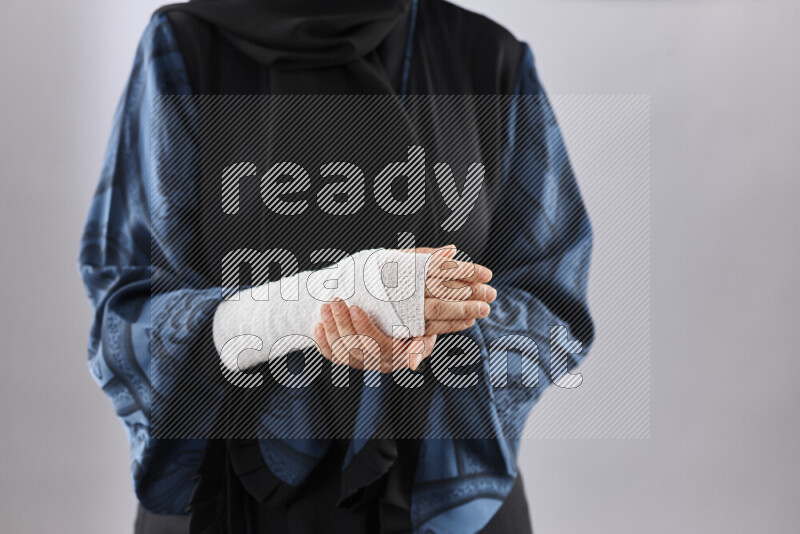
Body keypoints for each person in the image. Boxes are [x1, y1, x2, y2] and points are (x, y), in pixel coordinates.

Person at [78, 0, 594, 532]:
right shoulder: (183, 46)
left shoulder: (489, 56)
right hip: (234, 497)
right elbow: (129, 310)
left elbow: (552, 297)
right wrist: (309, 307)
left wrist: (433, 326)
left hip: (436, 493)